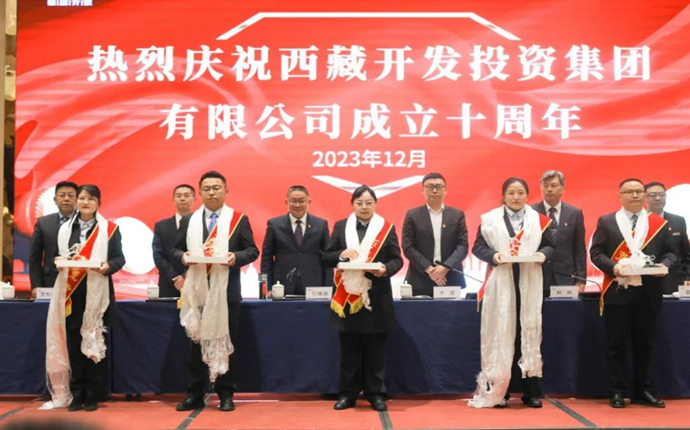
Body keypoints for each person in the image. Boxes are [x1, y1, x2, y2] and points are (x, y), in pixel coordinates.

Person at [172, 171, 259, 412]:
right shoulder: (189, 220)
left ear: (226, 190)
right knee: (195, 346)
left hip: (226, 293)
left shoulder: (238, 220)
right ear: (199, 192)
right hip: (197, 292)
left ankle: (225, 394)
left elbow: (252, 250)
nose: (212, 192)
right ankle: (194, 394)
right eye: (207, 188)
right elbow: (175, 250)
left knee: (226, 343)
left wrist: (235, 257)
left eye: (216, 188)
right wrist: (183, 257)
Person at [590, 178, 675, 409]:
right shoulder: (607, 221)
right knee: (616, 345)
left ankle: (642, 390)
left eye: (638, 191)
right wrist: (614, 267)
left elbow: (670, 253)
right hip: (618, 290)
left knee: (644, 345)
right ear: (619, 196)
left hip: (648, 292)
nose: (635, 195)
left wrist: (665, 265)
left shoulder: (658, 223)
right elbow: (596, 253)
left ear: (645, 195)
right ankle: (617, 390)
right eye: (629, 192)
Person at [469, 178, 554, 409]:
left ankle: (531, 392)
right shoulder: (490, 219)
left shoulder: (539, 220)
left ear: (527, 195)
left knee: (529, 333)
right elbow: (478, 247)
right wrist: (493, 256)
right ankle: (500, 391)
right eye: (511, 193)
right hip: (501, 282)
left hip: (530, 281)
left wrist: (543, 255)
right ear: (504, 196)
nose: (516, 197)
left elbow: (550, 245)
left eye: (520, 192)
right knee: (500, 333)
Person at [45, 184, 126, 412]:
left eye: (91, 198)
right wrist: (56, 262)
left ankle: (92, 394)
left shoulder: (110, 229)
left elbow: (119, 258)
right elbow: (55, 257)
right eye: (82, 198)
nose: (85, 202)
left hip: (97, 296)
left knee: (94, 345)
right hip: (71, 295)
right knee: (74, 346)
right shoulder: (64, 229)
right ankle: (77, 392)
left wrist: (108, 266)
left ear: (98, 203)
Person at [324, 186, 403, 411]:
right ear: (353, 204)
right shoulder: (341, 226)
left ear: (376, 204)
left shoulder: (386, 228)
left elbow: (397, 260)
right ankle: (347, 394)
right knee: (349, 351)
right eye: (359, 203)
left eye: (369, 203)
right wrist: (341, 254)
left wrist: (384, 268)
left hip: (376, 297)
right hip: (347, 297)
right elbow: (327, 256)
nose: (364, 207)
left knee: (375, 352)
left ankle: (375, 394)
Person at [402, 173, 468, 296]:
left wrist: (445, 267)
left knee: (452, 309)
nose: (434, 191)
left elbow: (462, 246)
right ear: (422, 190)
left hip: (449, 278)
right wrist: (429, 269)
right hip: (420, 278)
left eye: (438, 187)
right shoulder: (412, 215)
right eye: (429, 187)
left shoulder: (457, 215)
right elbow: (408, 247)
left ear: (445, 190)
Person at [261, 185, 331, 295]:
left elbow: (328, 258)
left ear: (308, 202)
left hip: (314, 285)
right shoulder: (274, 225)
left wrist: (329, 288)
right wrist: (266, 288)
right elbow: (266, 259)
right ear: (287, 202)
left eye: (301, 201)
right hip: (281, 285)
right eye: (293, 201)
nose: (297, 205)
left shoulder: (321, 225)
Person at [531, 171, 587, 296]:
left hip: (566, 276)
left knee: (563, 308)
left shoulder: (574, 213)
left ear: (563, 188)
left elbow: (579, 248)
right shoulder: (530, 212)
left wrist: (581, 278)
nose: (549, 189)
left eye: (553, 185)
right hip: (537, 274)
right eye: (545, 185)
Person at [29, 181, 78, 296]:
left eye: (71, 196)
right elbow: (35, 258)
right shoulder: (43, 223)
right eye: (62, 195)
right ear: (55, 200)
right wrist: (36, 285)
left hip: (78, 280)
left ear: (77, 200)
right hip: (49, 280)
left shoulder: (85, 223)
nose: (66, 199)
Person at [644, 181, 690, 294]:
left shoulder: (678, 221)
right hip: (644, 281)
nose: (658, 198)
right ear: (644, 198)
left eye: (661, 194)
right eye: (653, 195)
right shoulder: (638, 222)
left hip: (674, 282)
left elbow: (686, 253)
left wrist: (687, 277)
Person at [152, 184, 196, 297]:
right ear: (173, 200)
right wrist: (175, 277)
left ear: (194, 199)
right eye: (179, 196)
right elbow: (158, 255)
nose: (182, 198)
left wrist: (186, 276)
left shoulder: (202, 225)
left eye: (186, 195)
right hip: (168, 283)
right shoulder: (161, 226)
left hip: (196, 282)